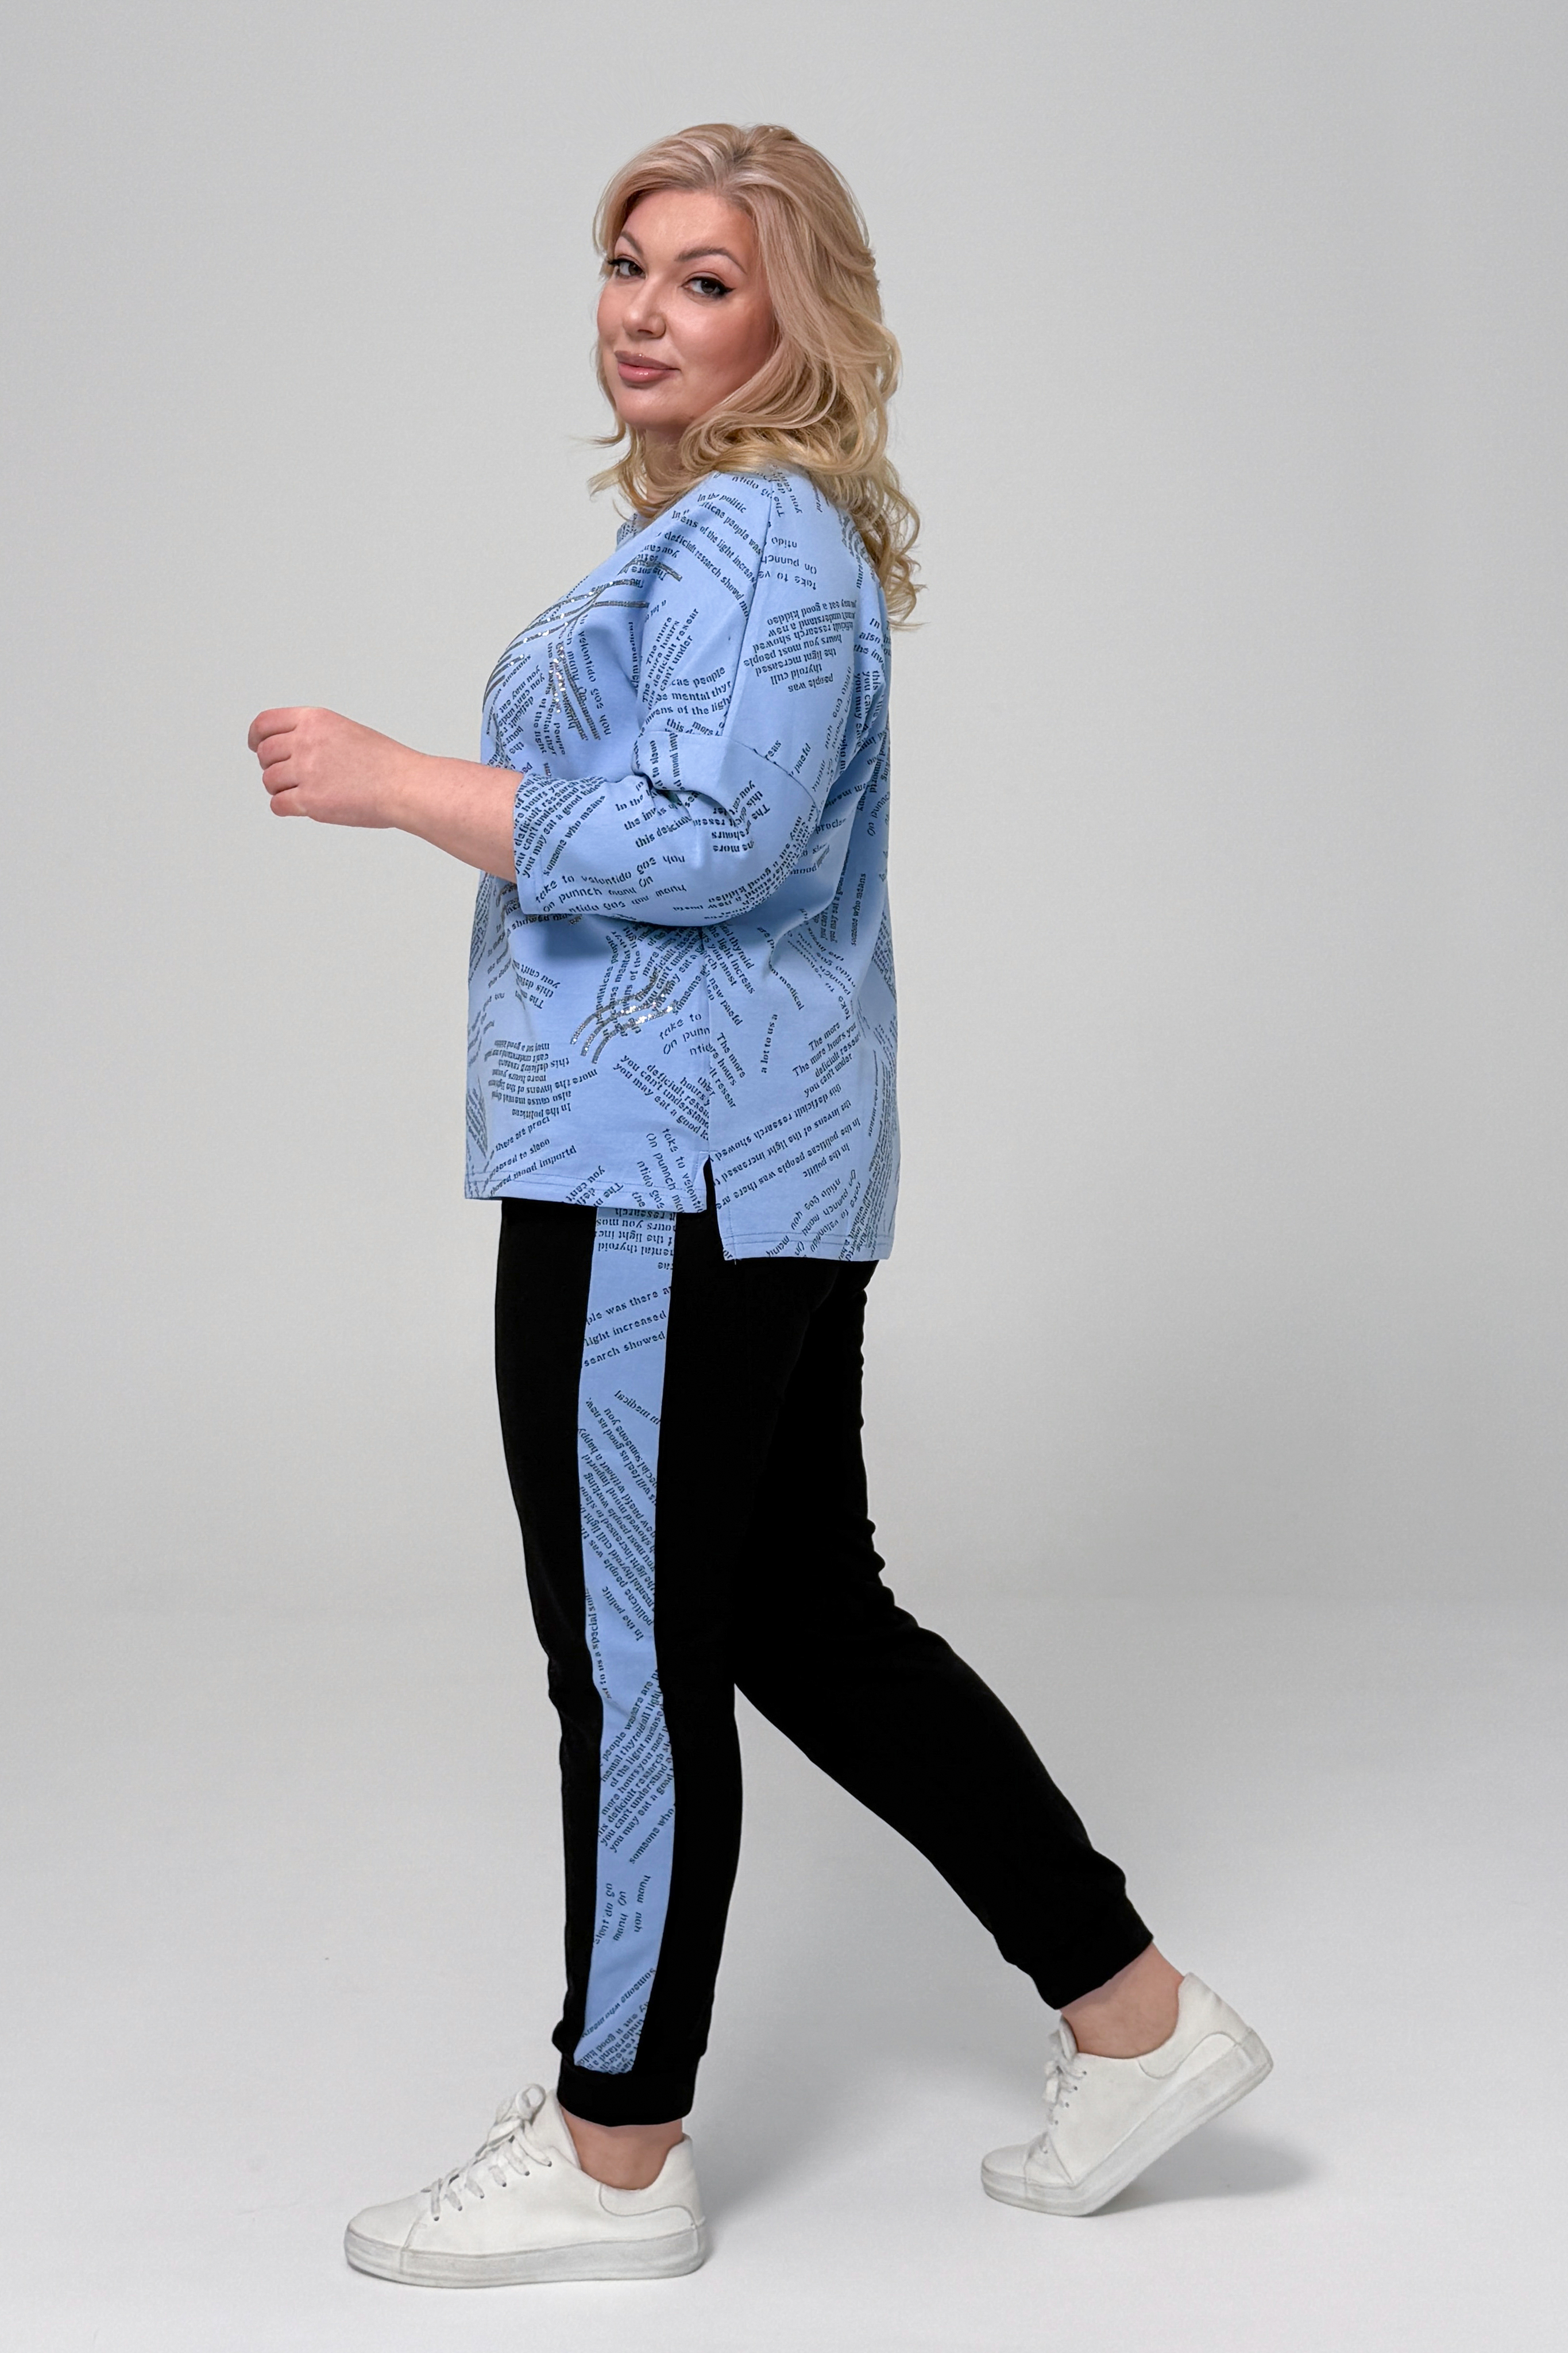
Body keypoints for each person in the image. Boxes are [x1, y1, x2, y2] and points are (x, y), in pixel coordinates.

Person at [248, 121, 1271, 2289]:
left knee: (630, 1664)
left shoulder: (753, 539)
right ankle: (1134, 2021)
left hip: (663, 1173)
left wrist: (397, 782)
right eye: (628, 263)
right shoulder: (744, 537)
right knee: (802, 1618)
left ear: (800, 320)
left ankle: (615, 2150)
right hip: (740, 1165)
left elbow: (714, 844)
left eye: (705, 279)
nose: (644, 309)